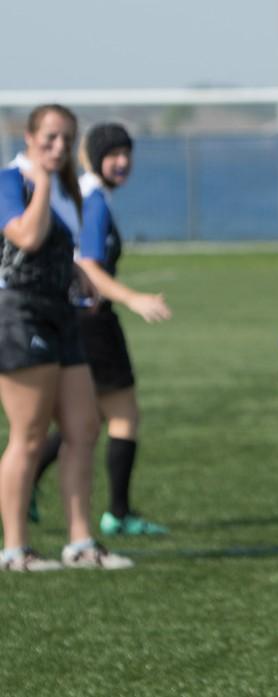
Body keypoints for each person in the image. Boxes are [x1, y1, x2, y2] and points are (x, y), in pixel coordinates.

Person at [0, 104, 132, 571]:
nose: (58, 147)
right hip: (19, 315)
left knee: (84, 428)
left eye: (65, 139)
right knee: (30, 435)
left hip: (62, 315)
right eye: (49, 138)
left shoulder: (69, 188)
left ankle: (80, 544)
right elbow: (27, 237)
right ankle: (15, 550)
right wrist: (41, 181)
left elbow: (66, 253)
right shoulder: (11, 180)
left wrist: (85, 285)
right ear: (30, 137)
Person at [32, 123, 171, 536]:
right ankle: (118, 513)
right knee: (123, 415)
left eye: (127, 153)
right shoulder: (92, 199)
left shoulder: (88, 195)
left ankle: (24, 487)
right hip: (92, 321)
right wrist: (133, 298)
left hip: (78, 320)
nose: (122, 161)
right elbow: (88, 265)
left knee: (86, 417)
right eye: (113, 153)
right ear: (93, 157)